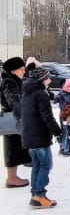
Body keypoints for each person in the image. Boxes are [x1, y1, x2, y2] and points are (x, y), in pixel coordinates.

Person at [20, 67, 61, 208]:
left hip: (28, 136)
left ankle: (35, 194)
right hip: (39, 136)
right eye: (48, 78)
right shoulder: (40, 94)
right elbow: (47, 117)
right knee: (45, 164)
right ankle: (39, 194)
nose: (50, 80)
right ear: (42, 79)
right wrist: (58, 131)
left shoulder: (26, 93)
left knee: (37, 165)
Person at [0, 57, 31, 187]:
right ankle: (11, 178)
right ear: (13, 71)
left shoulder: (14, 80)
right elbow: (14, 101)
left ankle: (13, 177)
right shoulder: (9, 82)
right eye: (21, 69)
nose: (24, 71)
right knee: (12, 148)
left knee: (16, 147)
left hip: (15, 118)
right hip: (13, 119)